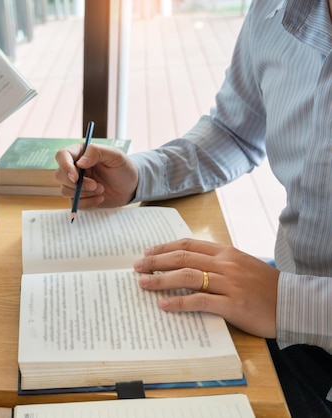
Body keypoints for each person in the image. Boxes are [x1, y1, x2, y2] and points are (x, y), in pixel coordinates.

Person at [55, 0, 332, 416]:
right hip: (279, 301)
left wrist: (286, 300)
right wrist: (139, 177)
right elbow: (233, 131)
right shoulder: (276, 10)